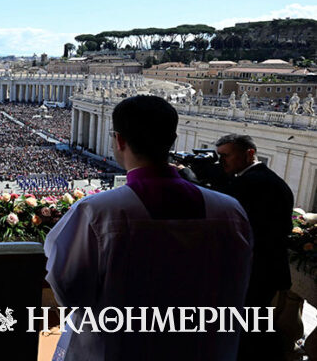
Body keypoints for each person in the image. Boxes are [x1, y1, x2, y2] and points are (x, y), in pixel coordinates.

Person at [44, 96, 253, 361]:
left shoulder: (97, 212)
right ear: (173, 139)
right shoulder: (230, 211)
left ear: (119, 140)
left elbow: (68, 291)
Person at [215, 134, 294, 361]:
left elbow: (220, 207)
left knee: (248, 332)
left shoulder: (253, 182)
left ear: (249, 154)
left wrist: (189, 178)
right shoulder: (266, 179)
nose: (222, 163)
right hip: (263, 271)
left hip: (255, 271)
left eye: (226, 156)